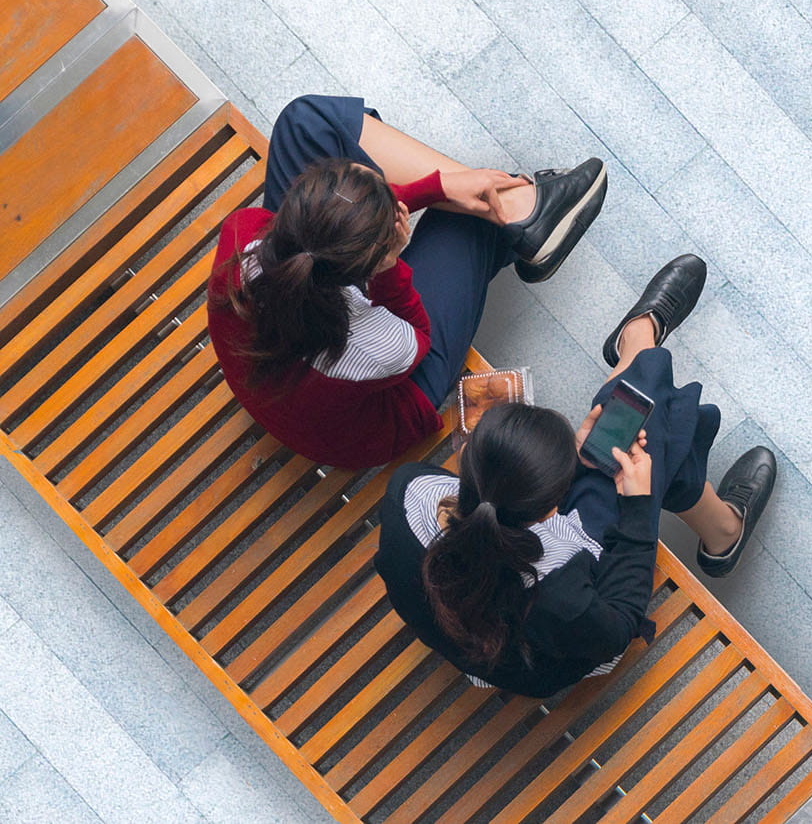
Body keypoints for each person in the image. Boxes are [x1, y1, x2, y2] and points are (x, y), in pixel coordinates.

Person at [375, 255, 777, 697]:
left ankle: (722, 528)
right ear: (554, 507)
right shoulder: (562, 594)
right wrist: (640, 507)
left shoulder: (410, 495)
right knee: (644, 437)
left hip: (473, 634)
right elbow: (618, 625)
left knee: (639, 440)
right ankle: (639, 345)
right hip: (554, 652)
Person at [207, 95, 607, 471]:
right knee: (463, 221)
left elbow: (339, 230)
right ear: (366, 269)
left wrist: (437, 186)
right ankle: (521, 218)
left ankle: (525, 214)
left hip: (279, 364)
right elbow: (416, 338)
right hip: (367, 420)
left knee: (305, 121)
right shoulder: (377, 344)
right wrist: (390, 267)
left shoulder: (243, 237)